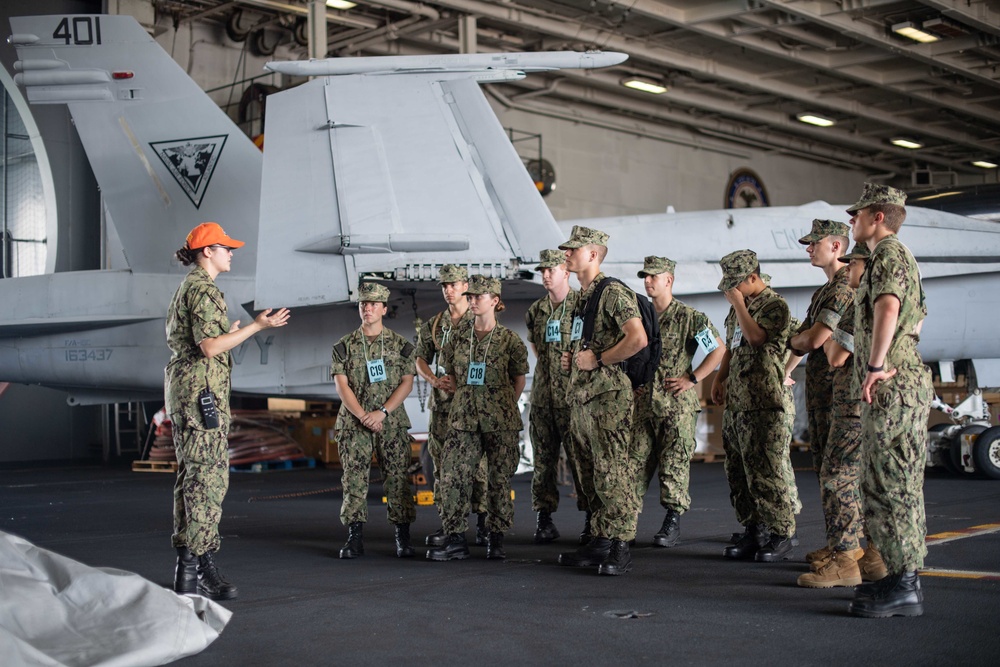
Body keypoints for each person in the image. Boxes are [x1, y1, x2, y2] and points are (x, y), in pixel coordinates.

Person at [166, 222, 290, 600]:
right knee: (208, 483)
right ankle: (203, 568)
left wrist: (228, 330)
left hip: (191, 396)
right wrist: (256, 326)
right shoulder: (202, 290)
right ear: (208, 252)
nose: (231, 253)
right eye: (225, 247)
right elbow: (209, 348)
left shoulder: (192, 288)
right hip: (200, 399)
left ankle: (187, 573)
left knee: (192, 481)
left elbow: (207, 341)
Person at [846, 183, 932, 618]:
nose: (852, 220)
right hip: (896, 387)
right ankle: (902, 579)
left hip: (893, 386)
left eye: (857, 214)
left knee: (891, 482)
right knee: (888, 481)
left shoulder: (888, 255)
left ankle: (904, 583)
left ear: (878, 216)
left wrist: (876, 366)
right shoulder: (891, 256)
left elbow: (888, 308)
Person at [556, 226, 648, 576]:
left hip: (608, 399)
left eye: (573, 249)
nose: (566, 253)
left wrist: (599, 359)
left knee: (613, 473)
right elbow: (588, 343)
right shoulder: (582, 297)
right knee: (590, 475)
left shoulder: (612, 292)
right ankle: (600, 539)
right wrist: (575, 358)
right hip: (583, 399)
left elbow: (637, 338)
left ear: (593, 254)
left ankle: (620, 544)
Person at [797, 242, 884, 588]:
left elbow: (833, 355)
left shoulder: (858, 304)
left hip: (852, 401)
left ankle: (847, 560)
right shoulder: (887, 301)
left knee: (837, 478)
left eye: (855, 263)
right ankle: (874, 558)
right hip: (877, 403)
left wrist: (824, 341)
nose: (848, 268)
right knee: (870, 478)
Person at [426, 276, 529, 561]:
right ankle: (456, 538)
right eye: (469, 297)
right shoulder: (459, 337)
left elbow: (519, 380)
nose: (472, 300)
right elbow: (451, 372)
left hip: (500, 422)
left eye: (478, 297)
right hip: (463, 420)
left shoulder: (510, 341)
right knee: (452, 476)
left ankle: (495, 539)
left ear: (495, 301)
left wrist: (503, 403)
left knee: (498, 481)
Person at [631, 256, 725, 547]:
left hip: (675, 407)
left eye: (653, 276)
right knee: (633, 466)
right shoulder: (639, 317)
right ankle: (624, 524)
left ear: (668, 280)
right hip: (643, 405)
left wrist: (692, 379)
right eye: (645, 277)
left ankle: (672, 522)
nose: (647, 281)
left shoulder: (689, 317)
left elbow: (717, 351)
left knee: (673, 466)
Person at [711, 249, 797, 563]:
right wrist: (720, 379)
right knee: (738, 470)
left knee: (767, 471)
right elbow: (732, 348)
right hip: (738, 402)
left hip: (763, 403)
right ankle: (754, 529)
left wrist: (738, 304)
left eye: (736, 284)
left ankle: (781, 533)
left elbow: (757, 339)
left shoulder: (774, 305)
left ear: (753, 277)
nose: (729, 290)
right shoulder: (739, 309)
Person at [786, 220, 859, 572]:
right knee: (826, 472)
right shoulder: (823, 291)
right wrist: (788, 365)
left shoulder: (844, 288)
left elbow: (812, 340)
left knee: (839, 476)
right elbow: (807, 337)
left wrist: (796, 341)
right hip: (822, 394)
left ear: (837, 247)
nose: (809, 248)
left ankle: (848, 551)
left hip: (839, 394)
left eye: (815, 243)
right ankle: (839, 544)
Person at [331, 282, 418, 559]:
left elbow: (406, 383)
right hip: (354, 423)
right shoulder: (343, 347)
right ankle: (354, 537)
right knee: (354, 480)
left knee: (397, 479)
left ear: (383, 308)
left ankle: (402, 536)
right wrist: (362, 416)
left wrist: (382, 412)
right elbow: (341, 386)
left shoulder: (402, 346)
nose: (367, 308)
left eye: (372, 304)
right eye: (363, 304)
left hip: (390, 422)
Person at [415, 265, 489, 548]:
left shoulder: (480, 320)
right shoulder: (435, 324)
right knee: (441, 464)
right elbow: (421, 358)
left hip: (473, 404)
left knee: (478, 464)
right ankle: (450, 523)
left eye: (453, 284)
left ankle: (483, 522)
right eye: (444, 285)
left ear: (465, 286)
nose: (448, 290)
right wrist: (433, 380)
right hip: (444, 406)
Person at [525, 249, 585, 543]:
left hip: (573, 401)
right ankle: (544, 518)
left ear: (566, 272)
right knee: (543, 462)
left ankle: (591, 520)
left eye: (551, 270)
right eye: (543, 271)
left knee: (580, 461)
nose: (546, 275)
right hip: (542, 399)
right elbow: (535, 344)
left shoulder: (582, 306)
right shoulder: (536, 310)